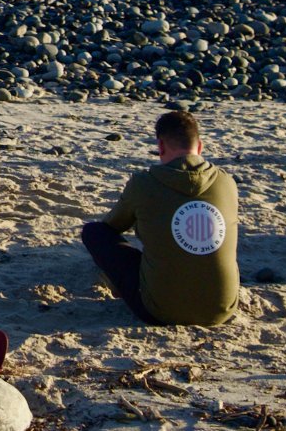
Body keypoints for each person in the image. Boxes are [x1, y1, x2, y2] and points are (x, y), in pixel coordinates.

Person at [80, 110, 240, 326]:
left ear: (161, 146)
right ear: (200, 147)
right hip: (222, 309)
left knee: (94, 233)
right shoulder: (226, 182)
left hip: (160, 311)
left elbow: (111, 227)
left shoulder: (144, 183)